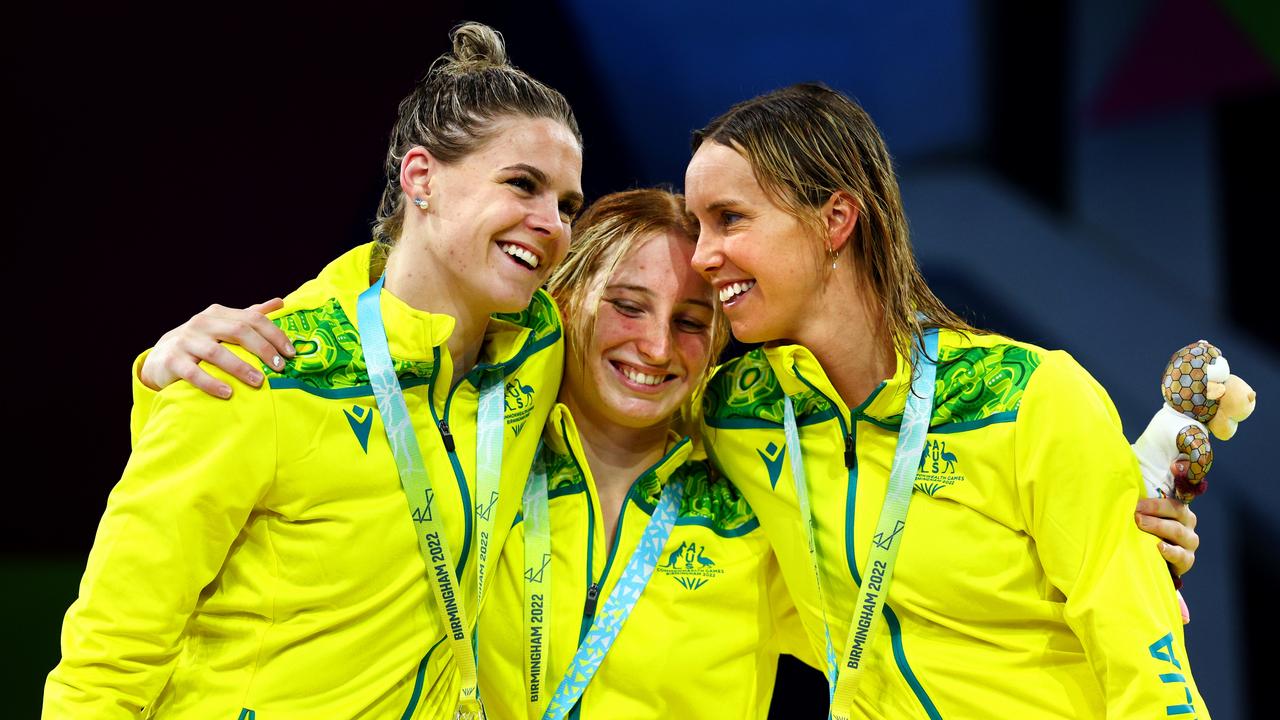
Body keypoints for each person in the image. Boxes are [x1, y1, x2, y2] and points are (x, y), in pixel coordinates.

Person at [44, 22, 583, 720]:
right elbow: (112, 644)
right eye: (523, 185)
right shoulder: (263, 369)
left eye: (568, 205)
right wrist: (159, 378)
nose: (553, 224)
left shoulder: (537, 351)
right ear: (421, 178)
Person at [686, 83, 1207, 718]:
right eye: (695, 227)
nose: (702, 256)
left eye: (729, 218)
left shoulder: (1028, 398)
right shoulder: (733, 415)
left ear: (834, 220)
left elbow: (1143, 656)